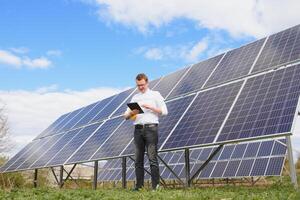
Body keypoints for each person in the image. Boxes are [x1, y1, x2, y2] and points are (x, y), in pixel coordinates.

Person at [124, 73, 168, 190]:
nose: (141, 87)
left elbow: (164, 111)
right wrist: (132, 113)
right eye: (138, 85)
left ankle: (156, 187)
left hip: (151, 129)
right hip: (138, 129)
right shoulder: (135, 98)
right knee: (138, 160)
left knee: (152, 158)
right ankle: (139, 187)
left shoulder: (155, 94)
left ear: (147, 83)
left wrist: (151, 107)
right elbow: (125, 116)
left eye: (142, 85)